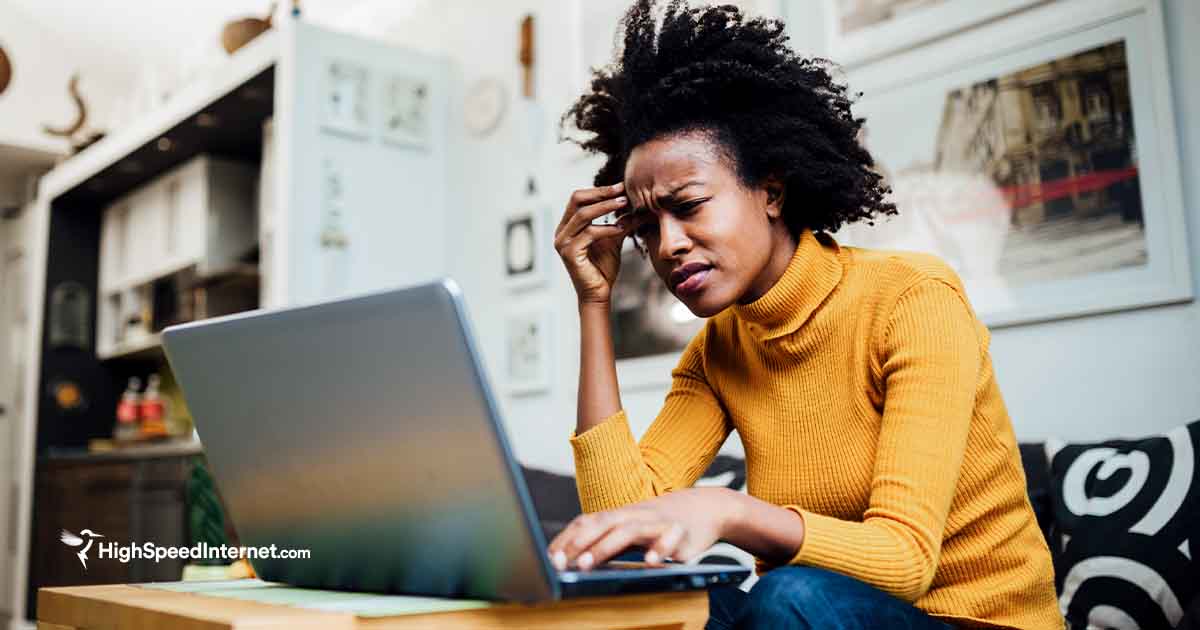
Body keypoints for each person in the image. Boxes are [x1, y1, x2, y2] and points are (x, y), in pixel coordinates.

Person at [546, 1, 1062, 628]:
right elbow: (624, 530)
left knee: (790, 595)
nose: (668, 245)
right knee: (659, 603)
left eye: (689, 206)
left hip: (974, 622)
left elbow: (905, 562)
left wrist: (727, 511)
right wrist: (593, 304)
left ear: (770, 191)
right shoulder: (721, 350)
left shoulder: (913, 299)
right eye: (647, 227)